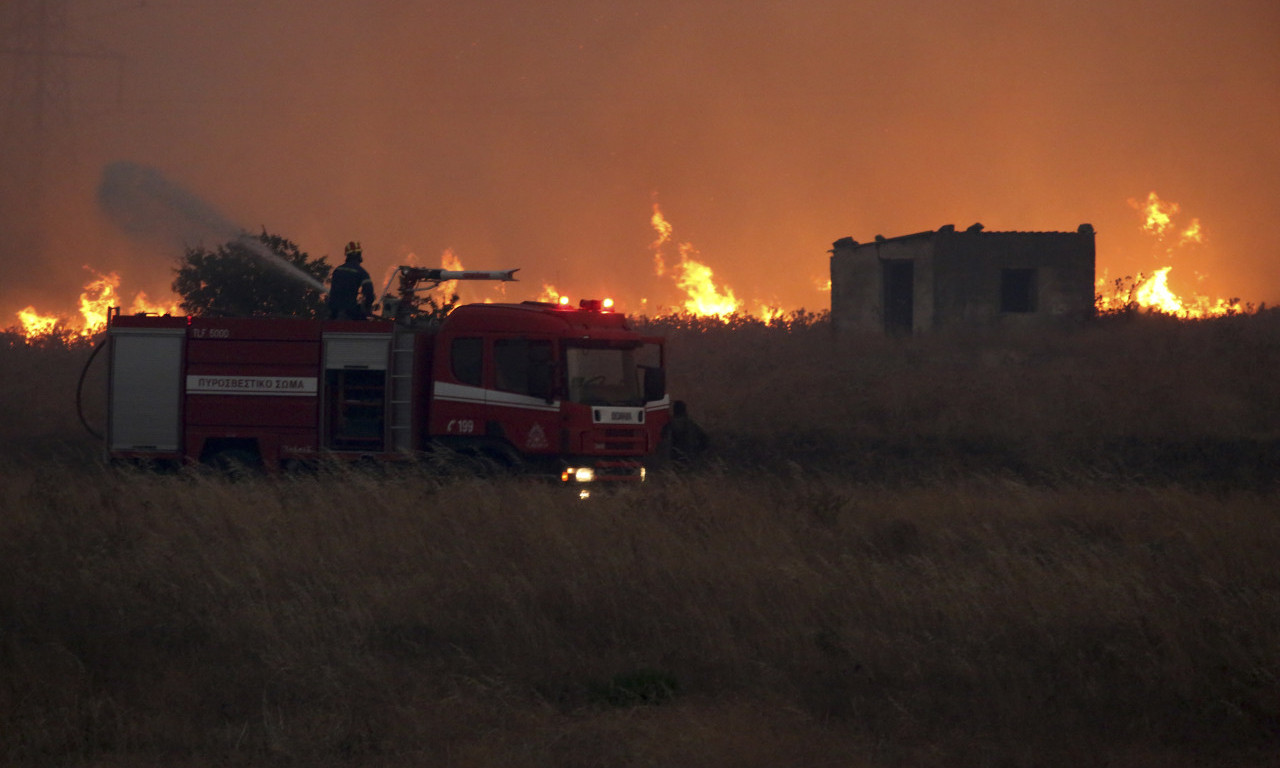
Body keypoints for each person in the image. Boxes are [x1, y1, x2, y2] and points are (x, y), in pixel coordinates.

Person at [328, 241, 375, 320]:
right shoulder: (361, 272)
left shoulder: (337, 270)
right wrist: (367, 307)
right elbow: (369, 292)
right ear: (358, 255)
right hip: (350, 312)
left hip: (333, 313)